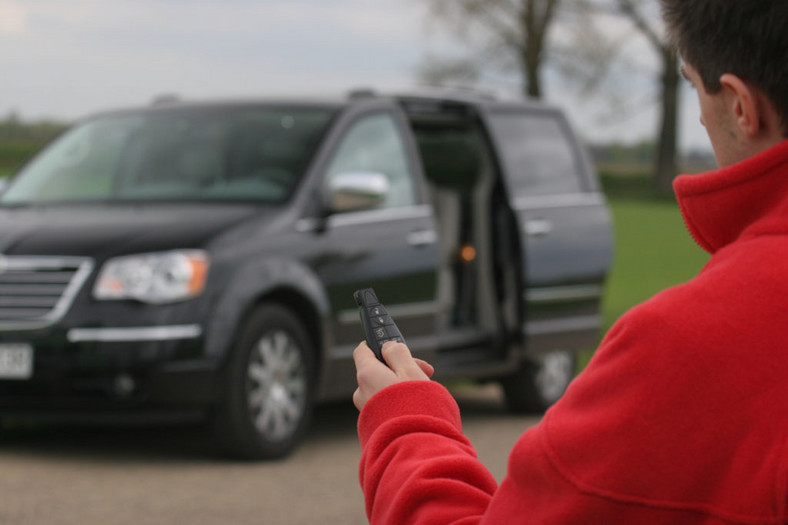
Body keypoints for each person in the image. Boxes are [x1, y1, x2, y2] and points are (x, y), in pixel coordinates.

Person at [352, 0, 788, 523]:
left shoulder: (692, 344)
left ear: (740, 105)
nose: (697, 114)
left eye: (695, 85)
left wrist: (407, 421)